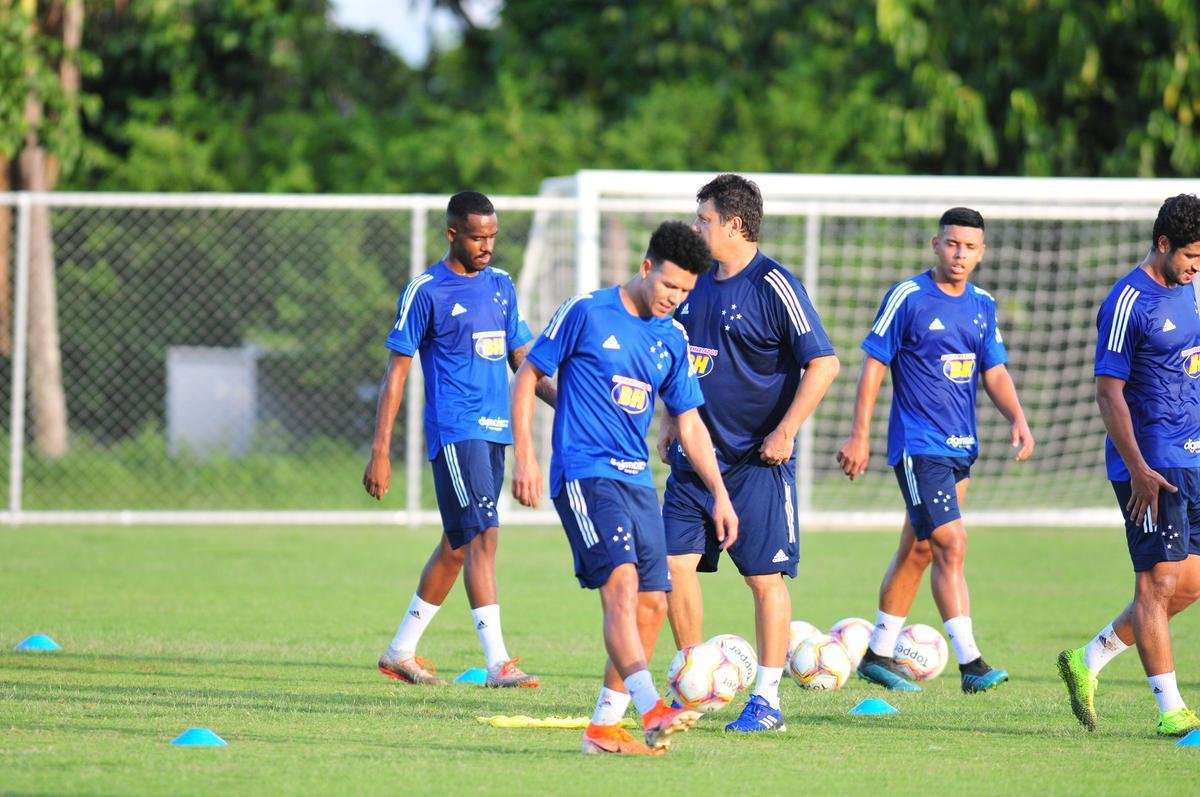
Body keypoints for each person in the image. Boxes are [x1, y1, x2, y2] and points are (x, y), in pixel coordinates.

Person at [510, 221, 738, 755]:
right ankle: (651, 707)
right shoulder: (586, 312)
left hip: (637, 482)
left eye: (685, 291)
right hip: (585, 474)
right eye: (669, 285)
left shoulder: (673, 338)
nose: (675, 298)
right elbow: (526, 376)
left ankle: (603, 728)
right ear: (645, 267)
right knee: (622, 584)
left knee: (654, 603)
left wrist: (720, 493)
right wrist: (525, 457)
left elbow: (689, 422)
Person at [657, 174, 840, 733]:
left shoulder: (774, 284)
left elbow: (824, 363)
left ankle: (766, 700)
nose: (696, 228)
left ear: (734, 225)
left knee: (763, 581)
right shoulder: (693, 284)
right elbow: (677, 356)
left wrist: (786, 430)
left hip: (757, 465)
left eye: (704, 219)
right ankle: (694, 679)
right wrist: (670, 420)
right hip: (695, 464)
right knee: (671, 568)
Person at [836, 207, 1034, 694]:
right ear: (936, 244)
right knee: (952, 543)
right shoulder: (908, 297)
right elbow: (873, 366)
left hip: (961, 447)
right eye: (952, 243)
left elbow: (994, 370)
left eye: (970, 247)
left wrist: (1017, 416)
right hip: (918, 444)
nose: (959, 253)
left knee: (921, 548)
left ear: (981, 253)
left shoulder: (983, 304)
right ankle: (972, 663)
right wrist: (860, 435)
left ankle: (878, 654)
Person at [363, 190, 554, 688]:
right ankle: (498, 663)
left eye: (492, 237)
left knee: (457, 544)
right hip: (456, 431)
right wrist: (380, 451)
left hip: (495, 432)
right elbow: (396, 374)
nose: (486, 246)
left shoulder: (502, 286)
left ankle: (400, 651)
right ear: (452, 234)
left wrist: (571, 403)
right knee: (482, 536)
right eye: (476, 237)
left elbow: (523, 362)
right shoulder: (425, 290)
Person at [1056, 193, 1200, 737]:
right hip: (1150, 463)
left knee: (1189, 583)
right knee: (1158, 582)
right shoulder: (1126, 302)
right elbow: (1108, 392)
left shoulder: (1189, 289)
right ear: (1163, 243)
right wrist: (1137, 467)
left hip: (1193, 454)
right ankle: (1170, 709)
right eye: (1190, 256)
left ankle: (1088, 659)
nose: (1196, 267)